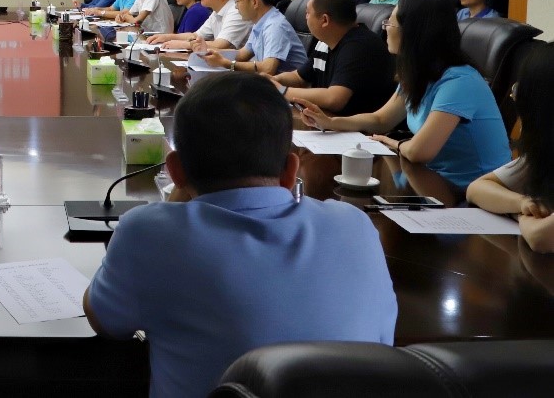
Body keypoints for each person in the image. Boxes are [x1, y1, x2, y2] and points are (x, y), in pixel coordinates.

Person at [84, 72, 396, 398]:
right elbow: (381, 343)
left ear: (175, 171)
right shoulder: (356, 227)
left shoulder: (148, 232)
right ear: (291, 171)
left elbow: (104, 321)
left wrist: (173, 202)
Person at [301, 0, 512, 189]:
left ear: (412, 32)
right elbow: (381, 119)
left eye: (390, 23)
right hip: (432, 180)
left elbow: (419, 152)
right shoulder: (418, 74)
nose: (385, 28)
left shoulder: (459, 82)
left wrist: (393, 143)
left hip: (475, 191)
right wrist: (331, 122)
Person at [467, 42, 554, 252]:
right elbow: (476, 189)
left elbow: (541, 237)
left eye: (517, 93)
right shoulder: (544, 155)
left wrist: (521, 216)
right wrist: (522, 203)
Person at [269, 0, 394, 115]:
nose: (306, 17)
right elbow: (299, 78)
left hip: (356, 126)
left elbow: (334, 99)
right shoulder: (325, 41)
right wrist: (273, 81)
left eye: (308, 13)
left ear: (324, 20)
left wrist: (283, 91)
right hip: (328, 120)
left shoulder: (360, 46)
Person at [198, 0, 306, 74]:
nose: (236, 6)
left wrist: (227, 64)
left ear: (254, 2)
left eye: (237, 1)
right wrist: (208, 52)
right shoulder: (260, 23)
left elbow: (268, 68)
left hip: (289, 86)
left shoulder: (275, 26)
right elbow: (242, 54)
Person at [147, 0, 251, 49]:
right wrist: (166, 37)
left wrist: (183, 44)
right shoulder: (217, 11)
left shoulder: (236, 11)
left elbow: (220, 45)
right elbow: (195, 35)